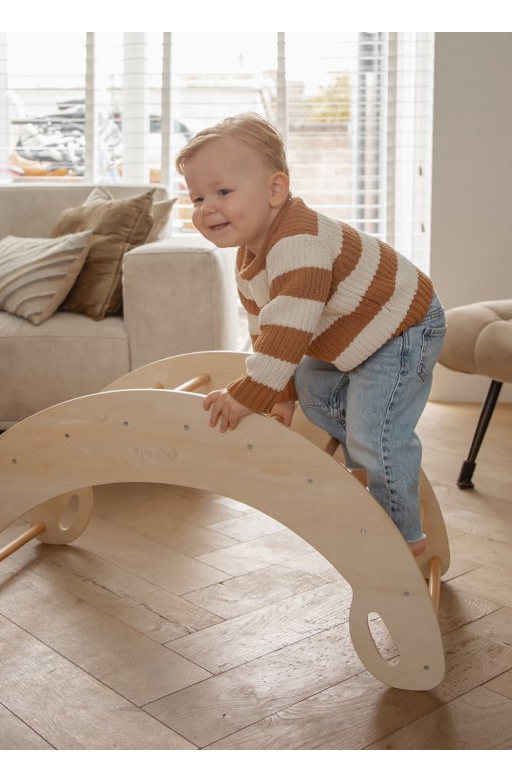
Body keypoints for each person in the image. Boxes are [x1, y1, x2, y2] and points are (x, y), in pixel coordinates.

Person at [175, 113, 446, 557]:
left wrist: (249, 395)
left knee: (373, 436)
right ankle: (375, 438)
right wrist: (280, 392)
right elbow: (267, 329)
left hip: (402, 327)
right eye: (198, 196)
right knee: (313, 391)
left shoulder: (298, 242)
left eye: (223, 192)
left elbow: (287, 332)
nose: (207, 207)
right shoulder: (250, 256)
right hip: (351, 334)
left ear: (275, 190)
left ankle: (401, 540)